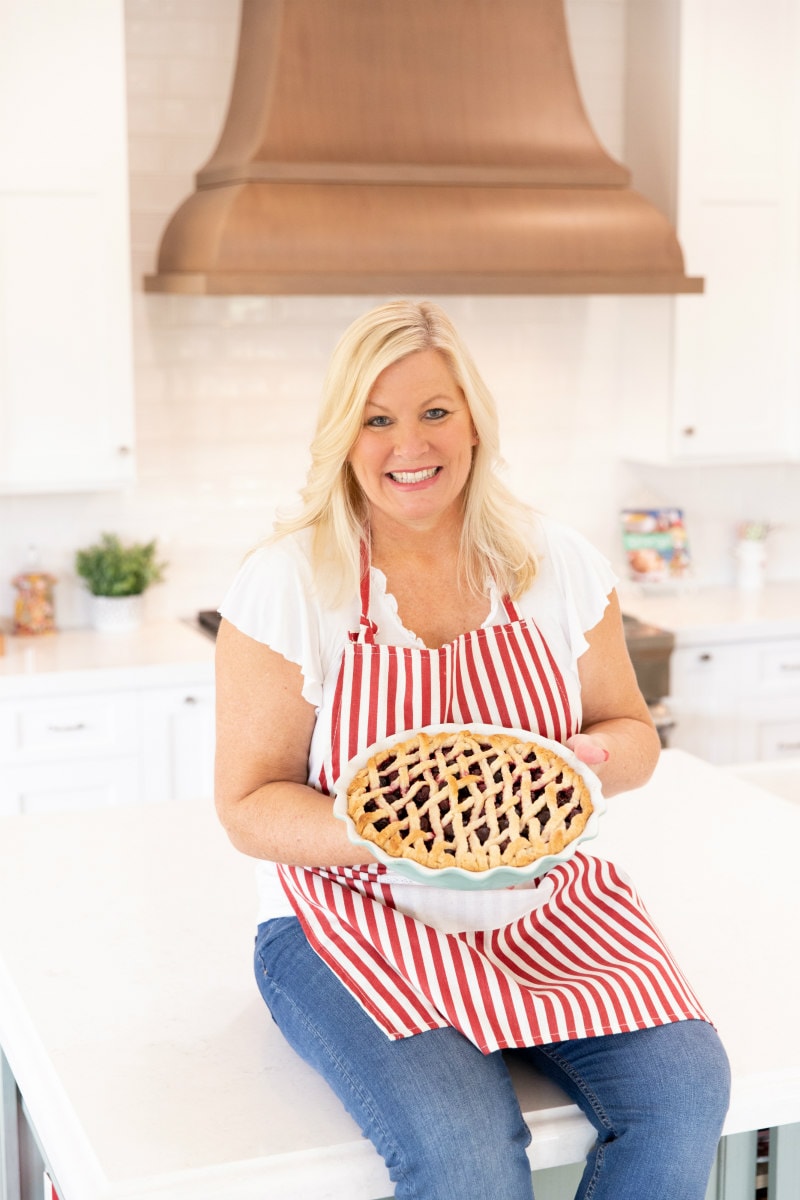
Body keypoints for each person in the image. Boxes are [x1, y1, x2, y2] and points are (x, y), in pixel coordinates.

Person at [214, 300, 730, 1200]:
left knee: (686, 1093)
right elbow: (250, 807)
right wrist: (410, 839)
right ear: (343, 435)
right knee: (466, 1150)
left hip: (550, 909)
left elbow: (631, 735)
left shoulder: (556, 564)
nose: (408, 444)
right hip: (348, 922)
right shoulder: (290, 582)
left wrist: (574, 770)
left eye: (434, 412)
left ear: (475, 422)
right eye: (377, 419)